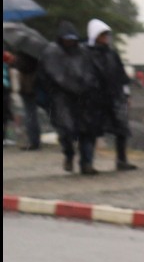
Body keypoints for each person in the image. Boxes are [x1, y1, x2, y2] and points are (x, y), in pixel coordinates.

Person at [39, 22, 102, 174]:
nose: (70, 42)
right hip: (61, 98)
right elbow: (54, 75)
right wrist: (72, 87)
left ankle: (87, 163)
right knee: (66, 130)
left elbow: (91, 72)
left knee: (87, 131)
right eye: (67, 39)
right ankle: (69, 154)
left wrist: (87, 87)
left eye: (72, 39)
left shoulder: (83, 52)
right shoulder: (52, 52)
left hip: (84, 97)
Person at [87, 19, 137, 171]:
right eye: (102, 35)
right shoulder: (87, 54)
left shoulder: (112, 54)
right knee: (92, 131)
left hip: (114, 97)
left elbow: (121, 76)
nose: (105, 38)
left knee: (121, 129)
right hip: (95, 98)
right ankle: (87, 163)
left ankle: (121, 160)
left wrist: (126, 95)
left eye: (106, 35)